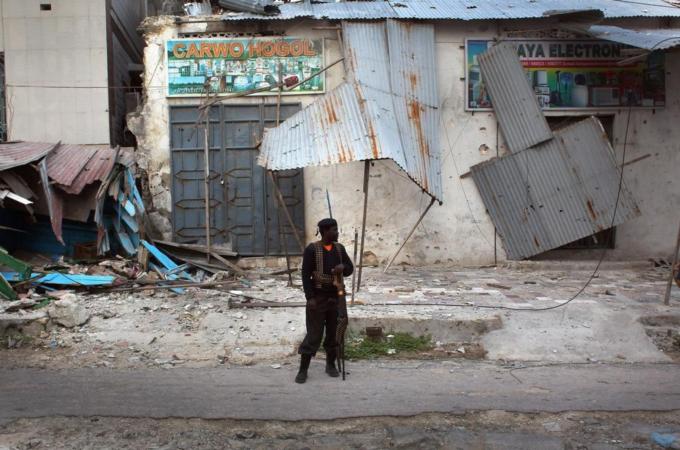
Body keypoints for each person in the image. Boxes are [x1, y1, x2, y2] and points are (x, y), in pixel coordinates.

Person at [295, 218, 354, 384]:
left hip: (336, 297)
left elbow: (349, 269)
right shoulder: (312, 249)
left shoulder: (339, 249)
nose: (337, 232)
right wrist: (310, 298)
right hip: (318, 297)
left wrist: (343, 268)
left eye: (337, 229)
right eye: (334, 230)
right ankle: (303, 370)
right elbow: (305, 275)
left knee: (334, 333)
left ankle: (330, 364)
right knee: (314, 334)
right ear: (325, 231)